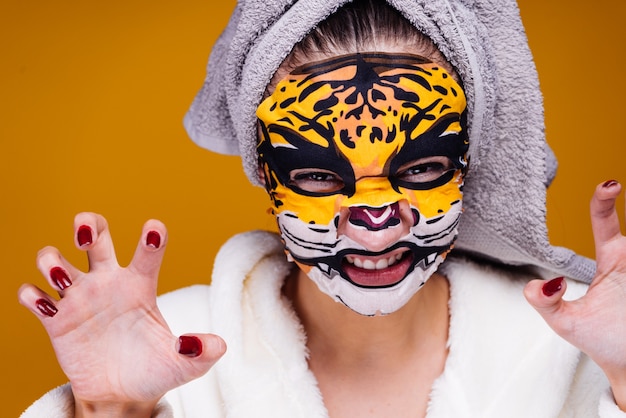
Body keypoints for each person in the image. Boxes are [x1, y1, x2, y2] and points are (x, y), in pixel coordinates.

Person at [18, 0, 626, 416]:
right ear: (266, 175)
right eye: (316, 174)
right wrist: (111, 410)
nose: (375, 219)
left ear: (469, 161)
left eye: (419, 169)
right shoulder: (167, 349)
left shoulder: (580, 351)